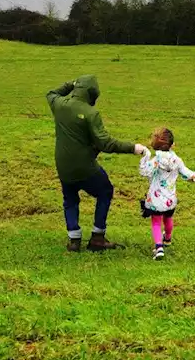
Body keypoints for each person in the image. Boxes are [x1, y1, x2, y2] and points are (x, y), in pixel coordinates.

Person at [47, 75, 147, 252]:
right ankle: (98, 238)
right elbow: (105, 143)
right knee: (105, 190)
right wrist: (133, 148)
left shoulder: (59, 105)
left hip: (63, 165)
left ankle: (74, 240)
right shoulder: (91, 113)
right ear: (91, 93)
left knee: (70, 199)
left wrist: (71, 84)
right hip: (85, 166)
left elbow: (51, 93)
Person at [138, 127, 195, 260]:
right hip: (170, 199)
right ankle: (167, 238)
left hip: (155, 200)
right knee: (168, 218)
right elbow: (186, 173)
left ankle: (158, 247)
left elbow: (144, 171)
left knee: (156, 222)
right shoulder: (177, 160)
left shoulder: (156, 160)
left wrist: (145, 156)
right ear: (172, 145)